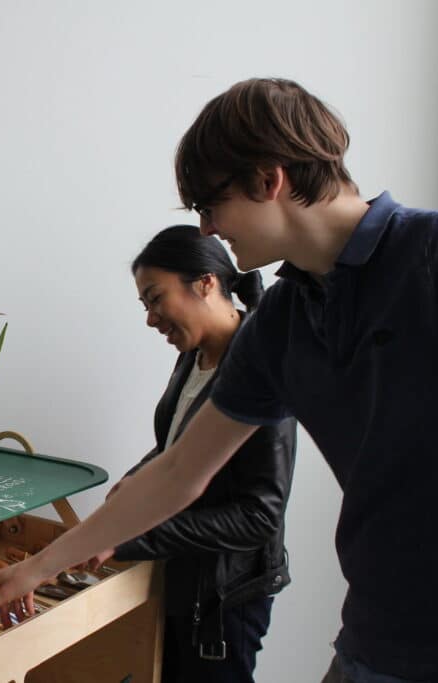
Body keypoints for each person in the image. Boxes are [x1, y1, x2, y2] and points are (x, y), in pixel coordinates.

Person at [0, 78, 438, 683]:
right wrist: (40, 566)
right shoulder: (280, 325)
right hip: (375, 639)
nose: (208, 231)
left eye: (210, 207)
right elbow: (180, 471)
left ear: (269, 180)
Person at [90, 225, 296, 682]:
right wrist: (137, 479)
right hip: (185, 583)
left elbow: (259, 516)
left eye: (156, 297)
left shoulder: (261, 367)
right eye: (144, 305)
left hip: (225, 600)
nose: (150, 317)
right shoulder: (195, 354)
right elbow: (179, 446)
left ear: (205, 283)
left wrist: (130, 536)